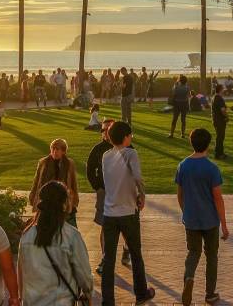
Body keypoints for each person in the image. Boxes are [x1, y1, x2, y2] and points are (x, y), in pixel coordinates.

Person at [100, 121, 154, 306]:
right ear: (125, 137)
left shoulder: (105, 156)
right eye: (130, 135)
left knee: (108, 259)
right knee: (136, 254)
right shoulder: (131, 153)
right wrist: (142, 195)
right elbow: (138, 177)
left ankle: (108, 300)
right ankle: (141, 293)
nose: (131, 138)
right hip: (128, 212)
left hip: (109, 212)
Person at [175, 128, 229, 306]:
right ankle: (210, 294)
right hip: (210, 221)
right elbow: (218, 198)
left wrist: (186, 211)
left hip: (191, 220)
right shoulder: (212, 168)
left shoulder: (183, 165)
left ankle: (189, 278)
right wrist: (224, 224)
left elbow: (180, 194)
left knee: (193, 252)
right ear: (208, 144)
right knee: (211, 256)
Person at [17, 181, 92, 306]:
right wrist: (88, 294)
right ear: (63, 204)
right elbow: (84, 275)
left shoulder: (27, 235)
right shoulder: (71, 236)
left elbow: (21, 274)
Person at [85, 119, 130, 274]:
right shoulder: (98, 149)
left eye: (107, 129)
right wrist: (97, 188)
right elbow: (90, 170)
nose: (104, 133)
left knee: (125, 226)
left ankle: (126, 248)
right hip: (105, 193)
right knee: (105, 226)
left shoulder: (126, 147)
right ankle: (105, 259)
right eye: (102, 130)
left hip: (123, 194)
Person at [28, 138, 80, 226]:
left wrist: (74, 199)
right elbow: (37, 181)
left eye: (57, 149)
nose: (54, 151)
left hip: (63, 199)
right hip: (47, 199)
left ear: (63, 151)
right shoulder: (43, 163)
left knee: (69, 226)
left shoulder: (69, 164)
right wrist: (33, 196)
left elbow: (73, 183)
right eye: (53, 149)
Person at [211, 84, 228, 159]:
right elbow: (223, 110)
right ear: (220, 89)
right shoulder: (219, 98)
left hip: (216, 120)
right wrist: (226, 116)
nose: (224, 90)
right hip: (220, 120)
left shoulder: (214, 97)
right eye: (223, 89)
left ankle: (219, 152)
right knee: (220, 137)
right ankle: (219, 154)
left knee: (219, 137)